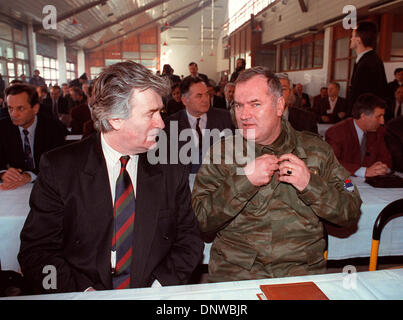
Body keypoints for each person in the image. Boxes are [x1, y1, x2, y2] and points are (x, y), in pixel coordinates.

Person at [18, 61, 204, 294]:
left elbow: (190, 241)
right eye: (151, 114)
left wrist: (159, 288)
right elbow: (36, 253)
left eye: (160, 112)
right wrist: (80, 292)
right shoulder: (60, 168)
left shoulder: (170, 165)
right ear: (115, 119)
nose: (161, 123)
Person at [192, 67, 362, 282]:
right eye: (238, 105)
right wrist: (243, 182)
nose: (244, 115)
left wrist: (310, 184)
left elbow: (351, 208)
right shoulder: (222, 153)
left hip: (301, 274)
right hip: (237, 274)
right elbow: (199, 219)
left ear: (279, 105)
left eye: (255, 104)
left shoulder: (317, 150)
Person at [0, 84, 67, 190]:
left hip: (48, 187)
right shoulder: (2, 128)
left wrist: (29, 176)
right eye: (10, 108)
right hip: (15, 192)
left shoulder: (54, 128)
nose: (14, 114)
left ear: (35, 108)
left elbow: (59, 164)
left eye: (20, 108)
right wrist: (3, 173)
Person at [164, 76, 234, 174]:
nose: (205, 99)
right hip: (184, 183)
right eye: (199, 96)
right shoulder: (171, 124)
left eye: (207, 94)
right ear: (185, 100)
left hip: (219, 181)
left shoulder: (225, 117)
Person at [325, 93, 392, 178]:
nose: (382, 122)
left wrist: (383, 168)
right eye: (379, 117)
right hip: (344, 183)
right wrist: (364, 171)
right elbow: (330, 162)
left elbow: (386, 160)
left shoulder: (378, 132)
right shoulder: (336, 132)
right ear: (363, 116)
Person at [348, 21, 388, 111]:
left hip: (365, 117)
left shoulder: (368, 63)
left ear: (358, 40)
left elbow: (361, 96)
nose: (351, 39)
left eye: (352, 36)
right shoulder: (368, 60)